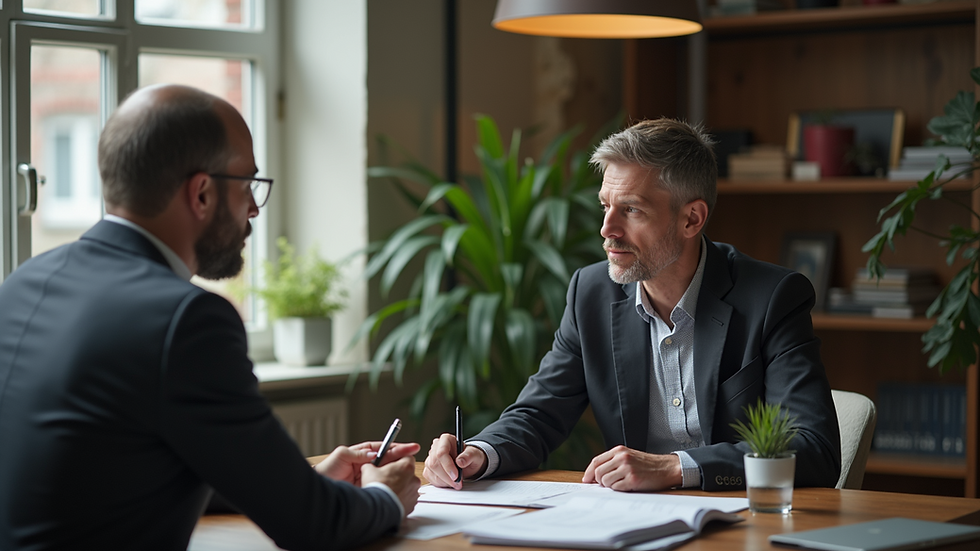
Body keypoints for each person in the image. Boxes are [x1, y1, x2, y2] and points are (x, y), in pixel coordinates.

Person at [0, 84, 420, 550]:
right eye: (248, 186)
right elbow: (313, 527)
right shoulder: (186, 319)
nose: (255, 209)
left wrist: (305, 482)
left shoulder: (24, 281)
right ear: (201, 193)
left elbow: (117, 466)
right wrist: (386, 496)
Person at [424, 118, 841, 492]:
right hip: (632, 528)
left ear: (692, 219)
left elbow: (814, 448)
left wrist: (677, 468)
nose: (607, 229)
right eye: (606, 206)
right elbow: (539, 413)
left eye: (632, 210)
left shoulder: (772, 297)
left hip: (740, 525)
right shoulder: (589, 292)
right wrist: (478, 453)